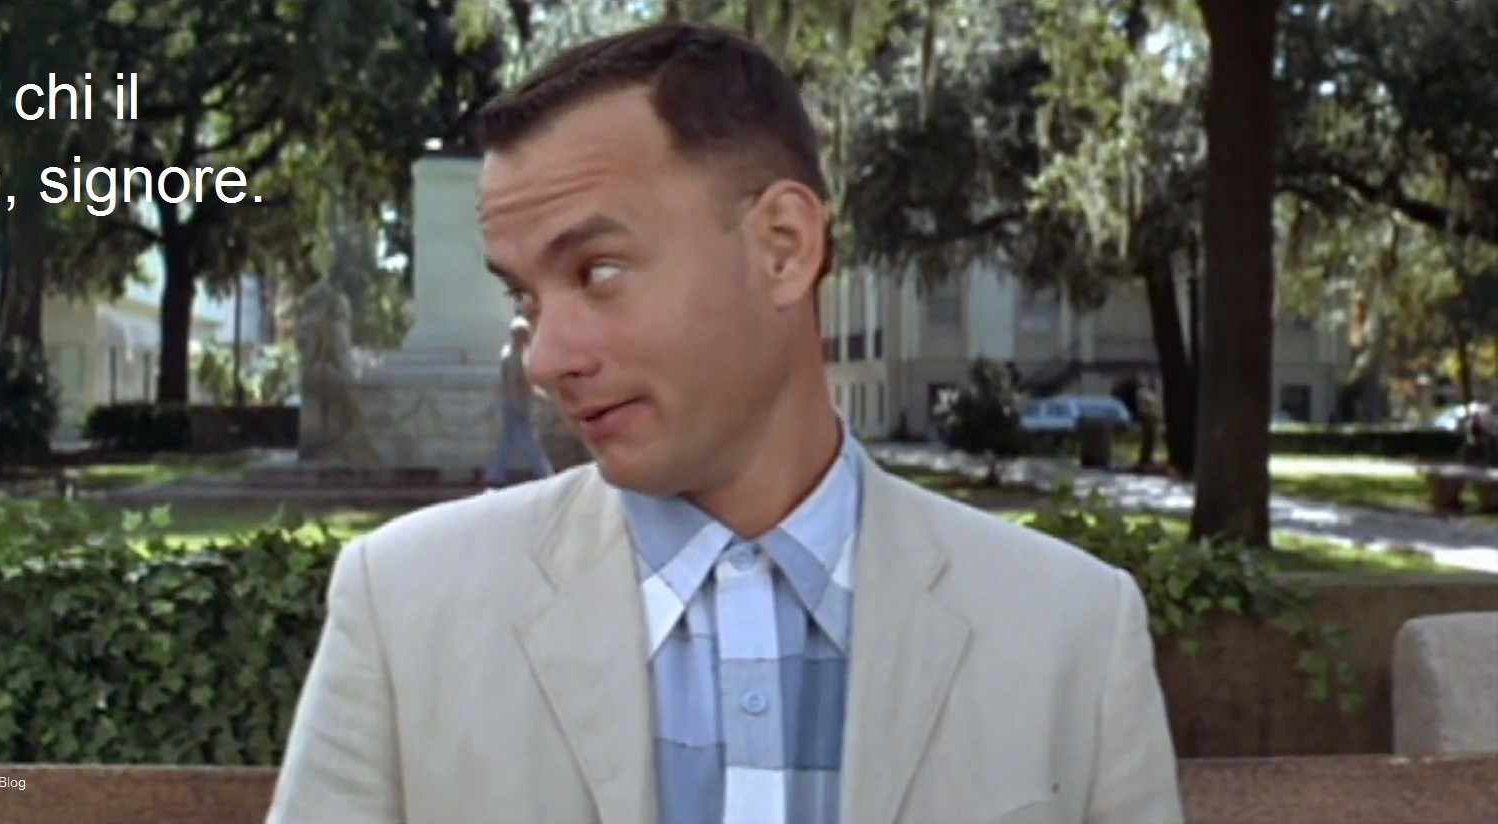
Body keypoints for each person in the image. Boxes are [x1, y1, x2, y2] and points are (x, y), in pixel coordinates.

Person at [267, 21, 1184, 824]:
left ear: (782, 248)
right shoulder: (404, 608)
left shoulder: (1069, 630)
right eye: (526, 296)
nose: (545, 359)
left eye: (597, 272)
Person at [487, 314, 555, 486]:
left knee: (508, 440)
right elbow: (523, 382)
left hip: (509, 401)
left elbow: (505, 381)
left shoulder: (506, 352)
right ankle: (546, 474)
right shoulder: (519, 356)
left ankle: (496, 474)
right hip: (520, 403)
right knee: (530, 441)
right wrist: (543, 397)